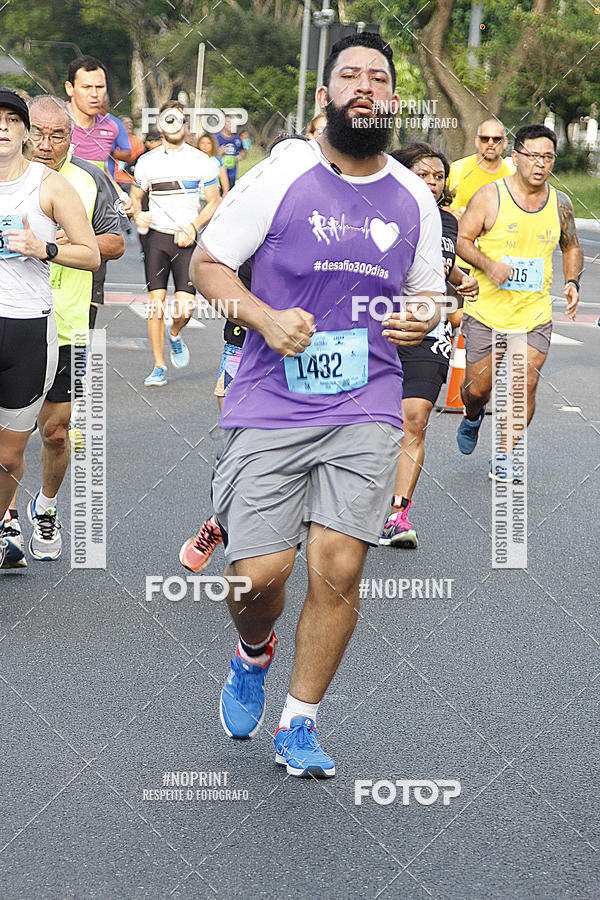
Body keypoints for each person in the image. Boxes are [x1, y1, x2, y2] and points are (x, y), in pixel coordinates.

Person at [190, 33, 444, 778]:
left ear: (393, 99)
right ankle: (252, 652)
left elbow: (428, 290)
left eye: (379, 77)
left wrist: (422, 315)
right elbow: (209, 263)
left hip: (368, 396)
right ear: (325, 95)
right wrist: (264, 317)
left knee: (337, 566)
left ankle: (298, 724)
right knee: (258, 577)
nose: (365, 86)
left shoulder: (413, 195)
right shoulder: (284, 174)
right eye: (349, 75)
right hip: (272, 395)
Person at [2, 95, 124, 566]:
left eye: (60, 135)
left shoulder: (89, 179)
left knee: (55, 433)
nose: (48, 143)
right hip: (14, 317)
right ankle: (7, 520)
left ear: (73, 136)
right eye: (41, 132)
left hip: (68, 324)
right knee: (8, 441)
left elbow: (109, 242)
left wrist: (47, 243)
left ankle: (46, 506)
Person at [456, 123, 583, 480]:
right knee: (477, 389)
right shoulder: (489, 196)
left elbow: (571, 246)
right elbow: (463, 240)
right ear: (516, 157)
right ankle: (473, 415)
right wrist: (488, 265)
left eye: (548, 157)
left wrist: (572, 281)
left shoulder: (560, 203)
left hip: (534, 313)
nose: (540, 164)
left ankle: (504, 455)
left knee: (525, 382)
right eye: (533, 156)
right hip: (486, 311)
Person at [380, 143, 479, 549]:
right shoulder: (380, 211)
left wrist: (459, 280)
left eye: (438, 176)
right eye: (423, 174)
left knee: (415, 417)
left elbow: (443, 263)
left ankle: (397, 516)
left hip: (429, 330)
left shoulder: (448, 223)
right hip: (381, 322)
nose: (432, 183)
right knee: (369, 423)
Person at [130, 101, 220, 386]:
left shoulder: (201, 161)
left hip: (187, 239)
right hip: (156, 238)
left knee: (185, 310)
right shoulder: (147, 162)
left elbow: (214, 201)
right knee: (156, 304)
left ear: (186, 124)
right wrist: (138, 214)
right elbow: (135, 197)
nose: (174, 125)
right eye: (168, 120)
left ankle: (175, 334)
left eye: (179, 120)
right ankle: (158, 366)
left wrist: (194, 226)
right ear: (160, 125)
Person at [178, 261, 250, 573]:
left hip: (305, 348)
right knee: (238, 447)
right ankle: (221, 522)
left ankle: (222, 524)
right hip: (243, 343)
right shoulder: (250, 219)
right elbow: (207, 267)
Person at [65, 56, 119, 169]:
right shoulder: (52, 122)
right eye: (86, 87)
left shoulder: (110, 128)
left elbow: (100, 170)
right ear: (70, 88)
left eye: (100, 87)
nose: (94, 94)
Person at [100, 93, 131, 179]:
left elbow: (127, 155)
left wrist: (109, 151)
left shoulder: (116, 124)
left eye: (102, 105)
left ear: (108, 104)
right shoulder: (80, 121)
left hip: (107, 181)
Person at [197, 133, 229, 197]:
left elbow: (224, 180)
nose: (205, 145)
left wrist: (225, 194)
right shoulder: (195, 159)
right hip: (198, 197)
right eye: (202, 143)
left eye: (208, 143)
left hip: (214, 197)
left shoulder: (218, 160)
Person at [216, 117, 245, 188]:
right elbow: (210, 156)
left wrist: (240, 156)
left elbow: (242, 151)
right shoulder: (216, 138)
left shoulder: (237, 139)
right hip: (219, 174)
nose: (231, 125)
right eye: (228, 122)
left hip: (232, 174)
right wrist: (219, 152)